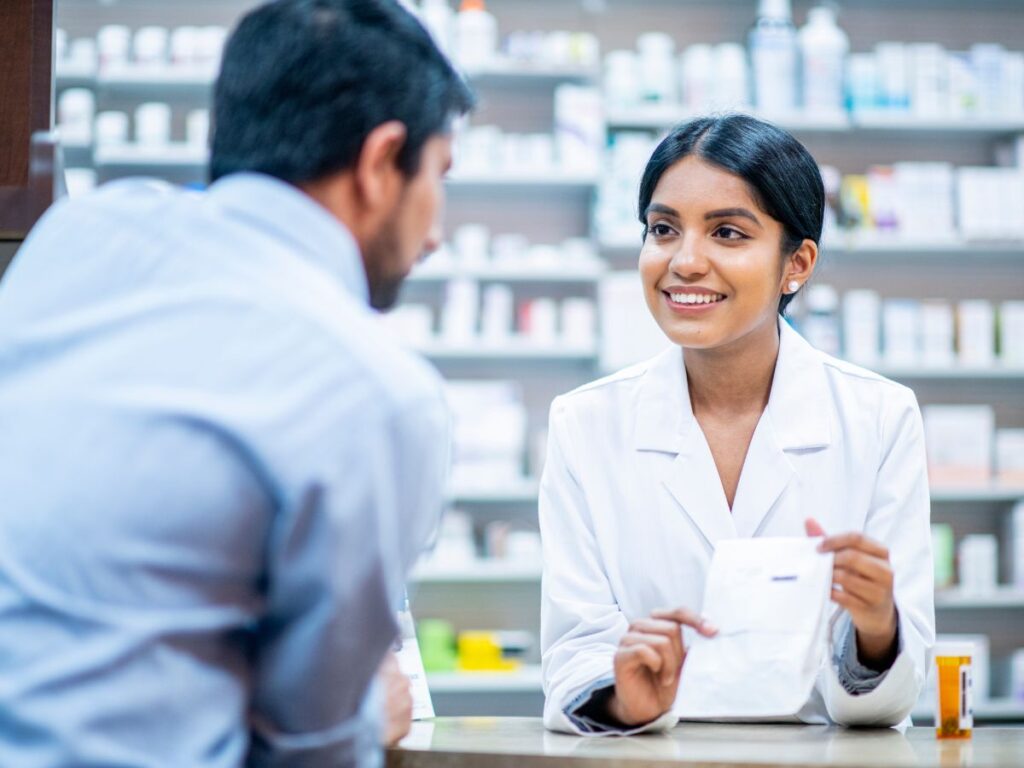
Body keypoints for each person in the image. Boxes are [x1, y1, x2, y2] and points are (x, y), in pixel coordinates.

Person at [0, 1, 473, 765]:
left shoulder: (81, 235)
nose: (436, 231)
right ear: (382, 161)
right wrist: (364, 722)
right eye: (439, 177)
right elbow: (305, 747)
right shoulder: (376, 389)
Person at [539, 114, 935, 734]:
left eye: (727, 232)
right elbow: (573, 654)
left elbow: (892, 704)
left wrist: (877, 630)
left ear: (796, 263)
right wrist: (623, 695)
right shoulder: (586, 423)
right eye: (663, 229)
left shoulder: (878, 417)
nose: (685, 261)